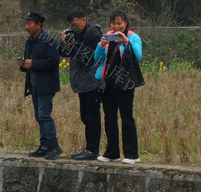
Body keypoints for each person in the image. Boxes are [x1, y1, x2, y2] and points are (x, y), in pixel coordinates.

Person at [94, 10, 143, 164]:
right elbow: (98, 58)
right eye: (114, 23)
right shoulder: (108, 36)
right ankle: (112, 152)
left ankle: (132, 154)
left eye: (119, 23)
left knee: (127, 117)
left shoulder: (133, 37)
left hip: (125, 81)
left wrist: (125, 42)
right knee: (109, 117)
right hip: (108, 81)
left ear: (126, 23)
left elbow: (137, 56)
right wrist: (101, 45)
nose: (116, 26)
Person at [59, 9, 103, 160]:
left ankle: (93, 150)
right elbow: (63, 53)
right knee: (85, 116)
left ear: (84, 20)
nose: (74, 28)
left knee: (92, 116)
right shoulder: (76, 35)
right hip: (81, 83)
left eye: (76, 25)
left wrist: (73, 44)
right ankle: (88, 148)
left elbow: (89, 57)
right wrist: (65, 41)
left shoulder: (94, 35)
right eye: (71, 26)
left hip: (92, 81)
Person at [21, 11, 62, 160]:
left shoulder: (49, 41)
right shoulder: (30, 41)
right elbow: (28, 61)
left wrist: (34, 64)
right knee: (39, 116)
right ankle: (44, 145)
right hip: (34, 84)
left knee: (45, 115)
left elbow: (54, 61)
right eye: (26, 23)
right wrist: (24, 64)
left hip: (46, 85)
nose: (26, 26)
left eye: (29, 23)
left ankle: (54, 146)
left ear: (38, 25)